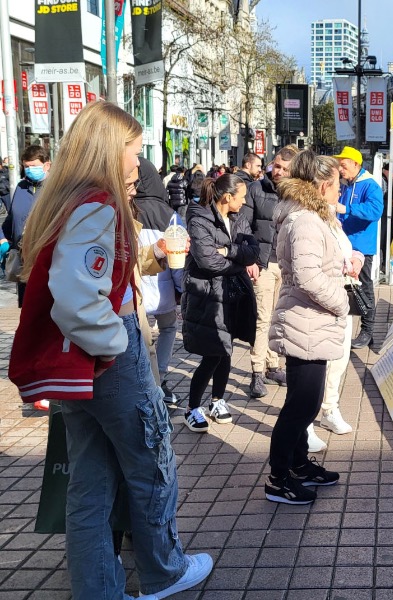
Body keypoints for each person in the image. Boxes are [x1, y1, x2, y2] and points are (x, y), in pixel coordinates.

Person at [8, 101, 212, 599]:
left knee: (91, 482)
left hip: (77, 368)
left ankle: (97, 589)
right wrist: (116, 342)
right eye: (134, 150)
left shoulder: (67, 201)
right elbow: (80, 296)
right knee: (152, 465)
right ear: (110, 148)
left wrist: (147, 258)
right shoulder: (98, 204)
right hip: (108, 358)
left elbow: (86, 276)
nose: (138, 163)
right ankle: (164, 570)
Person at [266, 150, 349, 505]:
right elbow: (307, 276)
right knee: (302, 405)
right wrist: (341, 301)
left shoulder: (314, 217)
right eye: (338, 185)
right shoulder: (304, 220)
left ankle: (298, 465)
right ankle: (278, 478)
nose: (340, 191)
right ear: (322, 184)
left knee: (304, 401)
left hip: (311, 320)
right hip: (306, 320)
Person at [181, 175, 259, 433]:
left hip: (231, 292)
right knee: (213, 352)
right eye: (242, 196)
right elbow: (207, 261)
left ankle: (217, 399)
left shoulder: (237, 217)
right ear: (227, 197)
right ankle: (192, 407)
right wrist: (238, 262)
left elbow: (253, 249)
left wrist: (228, 252)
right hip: (206, 294)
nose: (245, 200)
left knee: (226, 347)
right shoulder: (199, 218)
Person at [241, 145, 298, 398]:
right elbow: (243, 226)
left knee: (279, 317)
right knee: (263, 319)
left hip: (286, 264)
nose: (278, 171)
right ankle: (256, 371)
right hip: (262, 263)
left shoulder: (296, 193)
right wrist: (249, 260)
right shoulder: (255, 189)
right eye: (276, 166)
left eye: (284, 168)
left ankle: (273, 365)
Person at [135, 156, 184, 407]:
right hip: (163, 287)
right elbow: (178, 259)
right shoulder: (170, 214)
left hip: (136, 291)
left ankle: (145, 377)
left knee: (140, 336)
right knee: (168, 329)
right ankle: (161, 376)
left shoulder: (126, 208)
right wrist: (180, 289)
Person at [335, 146, 383, 349]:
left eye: (344, 165)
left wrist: (346, 209)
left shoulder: (370, 185)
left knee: (364, 286)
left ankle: (367, 330)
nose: (340, 169)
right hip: (345, 243)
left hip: (362, 246)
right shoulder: (347, 184)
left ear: (356, 164)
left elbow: (375, 210)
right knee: (348, 287)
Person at [0, 145, 51, 308]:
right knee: (28, 309)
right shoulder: (21, 187)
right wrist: (2, 238)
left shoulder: (56, 190)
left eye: (34, 166)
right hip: (23, 263)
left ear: (47, 165)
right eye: (26, 167)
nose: (30, 170)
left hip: (47, 263)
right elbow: (12, 218)